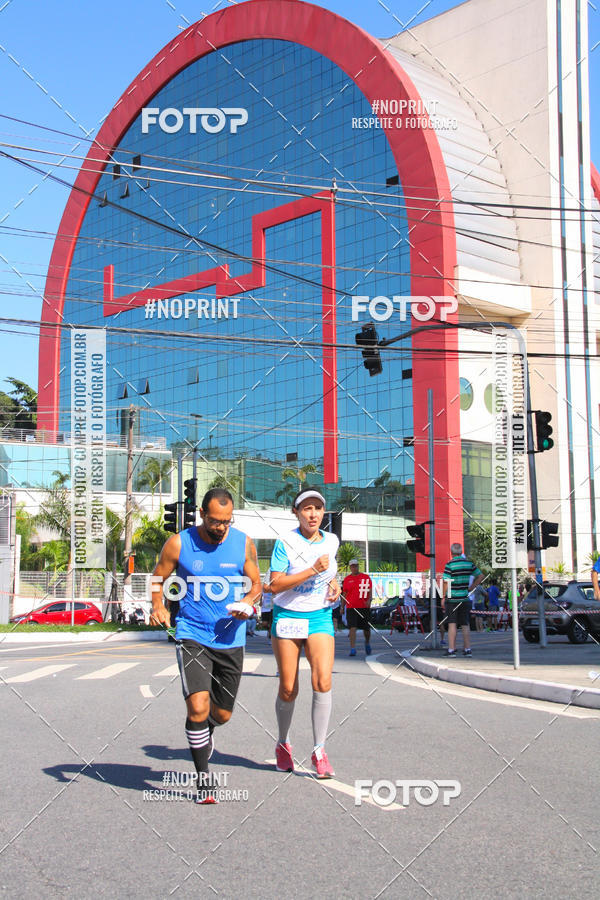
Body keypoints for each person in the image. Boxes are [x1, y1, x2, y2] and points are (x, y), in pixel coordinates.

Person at [150, 488, 261, 804]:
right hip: (192, 635)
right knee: (197, 707)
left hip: (231, 637)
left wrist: (248, 602)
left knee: (222, 715)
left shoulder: (243, 543)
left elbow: (257, 585)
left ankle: (204, 733)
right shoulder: (179, 543)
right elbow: (159, 576)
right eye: (215, 521)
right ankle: (203, 780)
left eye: (227, 521)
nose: (221, 528)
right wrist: (158, 605)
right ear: (202, 514)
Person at [269, 487, 340, 778]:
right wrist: (311, 569)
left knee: (322, 680)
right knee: (289, 687)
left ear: (324, 513)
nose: (313, 514)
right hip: (287, 617)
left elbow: (330, 574)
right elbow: (274, 585)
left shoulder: (332, 540)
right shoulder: (285, 541)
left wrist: (335, 585)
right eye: (306, 509)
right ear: (296, 513)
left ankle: (319, 750)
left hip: (320, 617)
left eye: (318, 509)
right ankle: (283, 743)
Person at [441, 542, 484, 657]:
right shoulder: (469, 564)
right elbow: (480, 576)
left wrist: (443, 597)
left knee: (452, 624)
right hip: (465, 598)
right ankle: (467, 649)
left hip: (452, 598)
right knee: (465, 624)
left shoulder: (449, 565)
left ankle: (451, 650)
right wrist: (471, 588)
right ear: (461, 552)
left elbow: (446, 581)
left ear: (451, 553)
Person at [342, 559, 373, 656]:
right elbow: (344, 594)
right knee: (352, 627)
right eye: (352, 566)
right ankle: (352, 648)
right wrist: (342, 607)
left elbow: (370, 590)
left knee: (366, 629)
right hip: (351, 607)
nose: (354, 568)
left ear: (358, 566)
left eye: (356, 566)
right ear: (350, 567)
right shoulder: (347, 579)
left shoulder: (365, 577)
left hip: (364, 607)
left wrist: (369, 600)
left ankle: (367, 643)